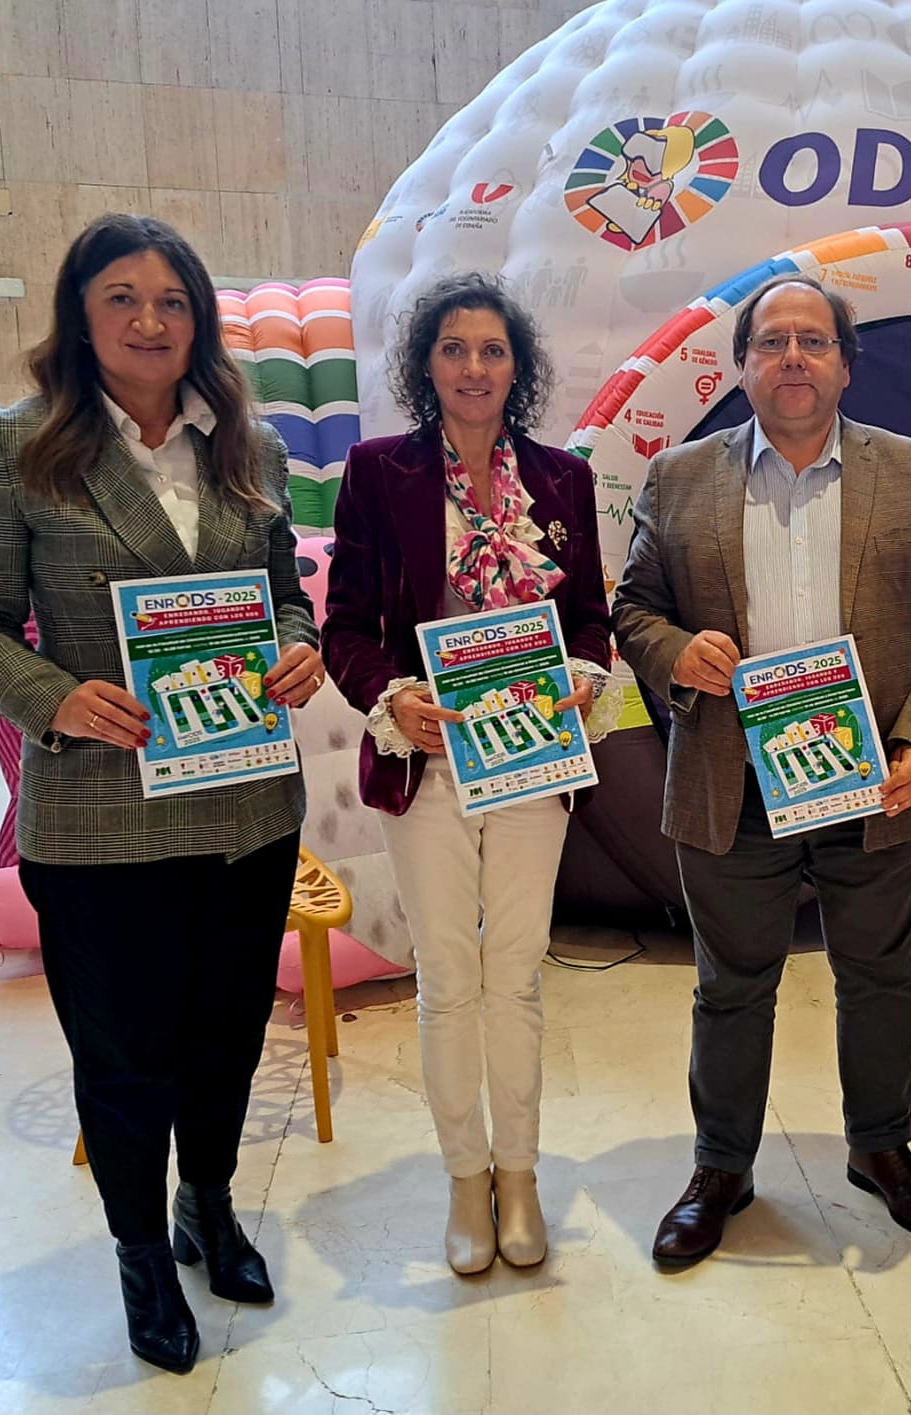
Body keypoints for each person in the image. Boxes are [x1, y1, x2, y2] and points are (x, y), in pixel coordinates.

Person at [0, 214, 326, 1373]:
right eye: (121, 297)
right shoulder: (11, 443)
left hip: (246, 803)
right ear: (80, 313)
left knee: (228, 1038)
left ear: (199, 316)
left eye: (170, 299)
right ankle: (141, 1253)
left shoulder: (246, 448)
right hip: (103, 814)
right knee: (123, 1057)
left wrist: (297, 645)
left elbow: (280, 595)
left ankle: (209, 1203)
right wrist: (51, 696)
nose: (150, 321)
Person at [612, 274, 911, 1266]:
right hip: (732, 785)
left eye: (811, 341)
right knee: (729, 985)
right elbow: (633, 605)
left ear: (844, 363)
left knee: (881, 975)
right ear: (738, 365)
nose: (790, 357)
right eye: (769, 340)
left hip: (871, 783)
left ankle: (881, 1147)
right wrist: (672, 652)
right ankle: (721, 1164)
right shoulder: (679, 474)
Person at [322, 273, 612, 1276]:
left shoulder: (563, 482)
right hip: (427, 760)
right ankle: (463, 1178)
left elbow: (589, 621)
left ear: (517, 365)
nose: (474, 367)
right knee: (447, 978)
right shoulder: (374, 473)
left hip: (529, 756)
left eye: (492, 350)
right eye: (454, 348)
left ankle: (520, 1174)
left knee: (516, 972)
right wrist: (389, 699)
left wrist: (582, 676)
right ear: (426, 364)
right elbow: (345, 625)